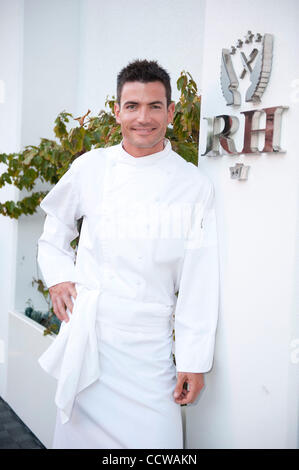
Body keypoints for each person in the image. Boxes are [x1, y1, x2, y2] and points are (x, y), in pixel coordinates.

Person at [37, 59, 219, 449]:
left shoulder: (194, 185)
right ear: (116, 111)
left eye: (155, 106)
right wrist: (57, 277)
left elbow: (198, 280)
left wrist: (193, 360)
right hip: (91, 342)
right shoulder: (90, 167)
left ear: (171, 112)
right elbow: (54, 232)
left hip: (149, 352)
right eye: (132, 106)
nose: (143, 118)